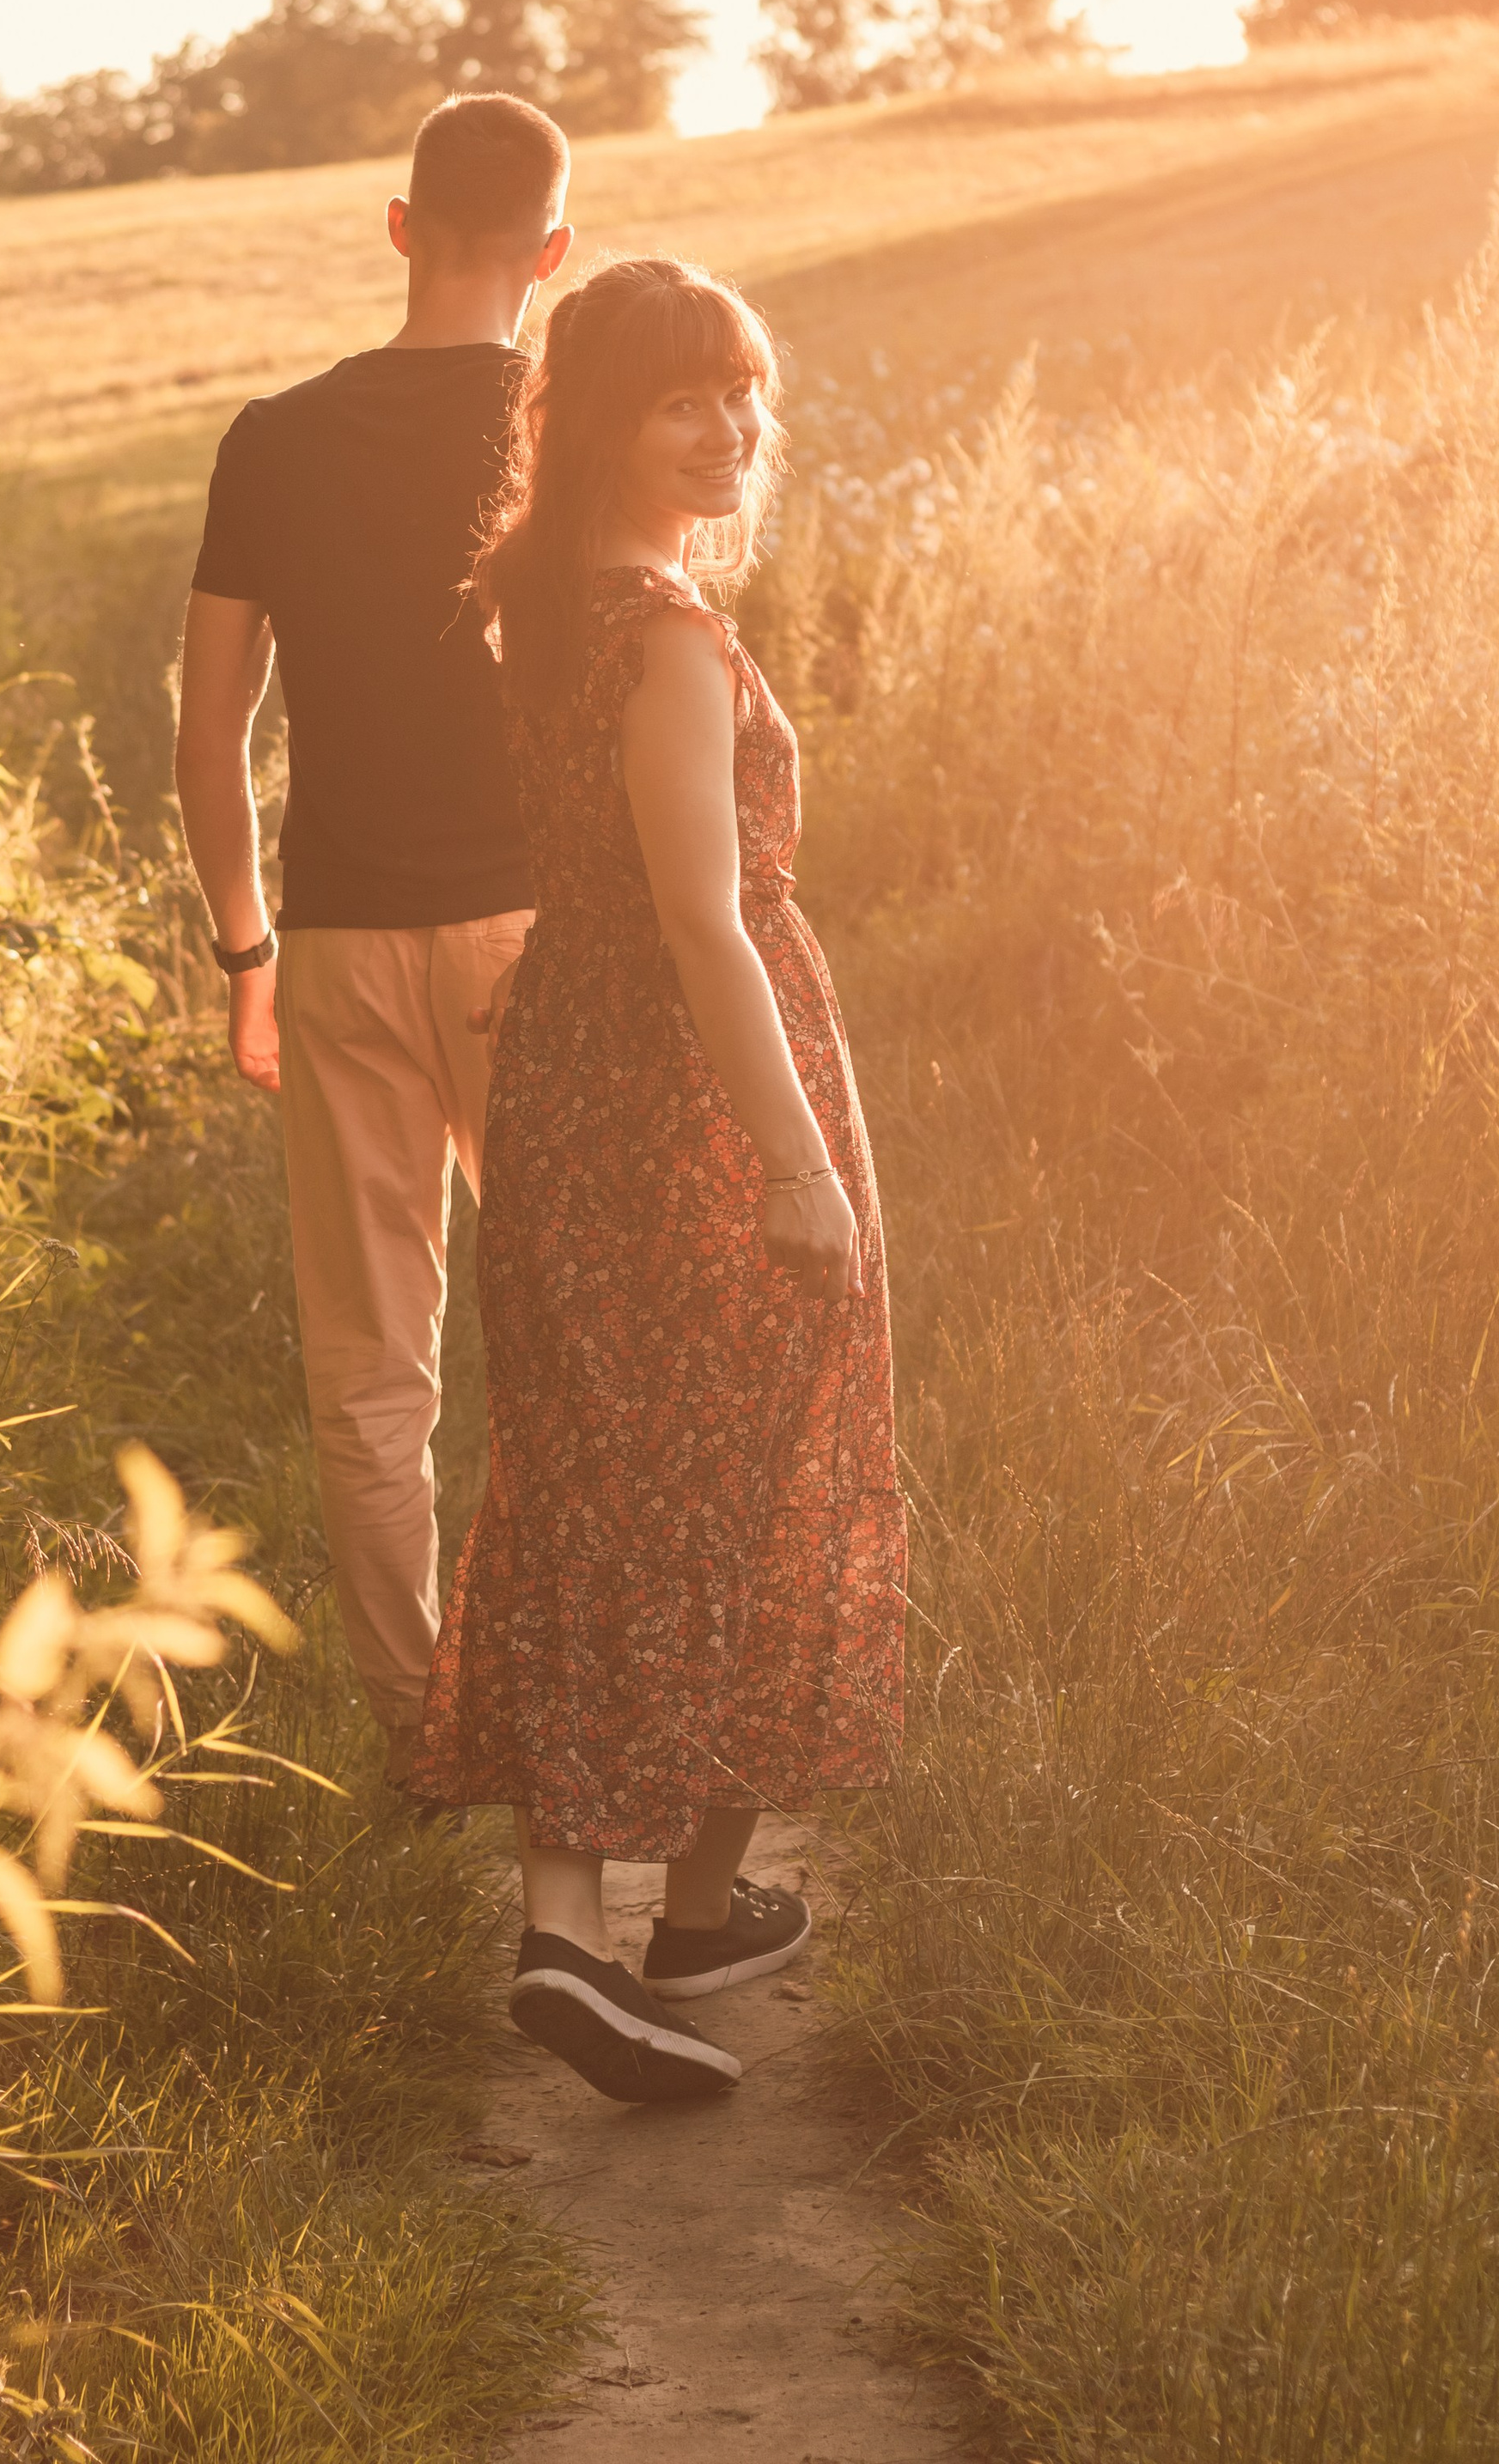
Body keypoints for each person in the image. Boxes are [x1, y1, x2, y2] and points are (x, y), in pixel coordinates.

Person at [412, 254, 906, 2102]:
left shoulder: (547, 603)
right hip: (685, 1090)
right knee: (763, 1466)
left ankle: (587, 1929)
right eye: (684, 397)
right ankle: (682, 1907)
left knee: (590, 1468)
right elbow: (702, 920)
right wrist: (792, 1162)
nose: (728, 429)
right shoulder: (669, 640)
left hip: (564, 1074)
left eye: (744, 395)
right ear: (596, 418)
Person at [174, 94, 573, 1787]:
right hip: (539, 952)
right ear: (555, 254)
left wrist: (243, 955)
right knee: (574, 1324)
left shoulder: (271, 438)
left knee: (369, 1367)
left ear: (397, 226)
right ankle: (582, 1688)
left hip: (335, 946)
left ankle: (424, 1731)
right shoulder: (570, 425)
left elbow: (208, 739)